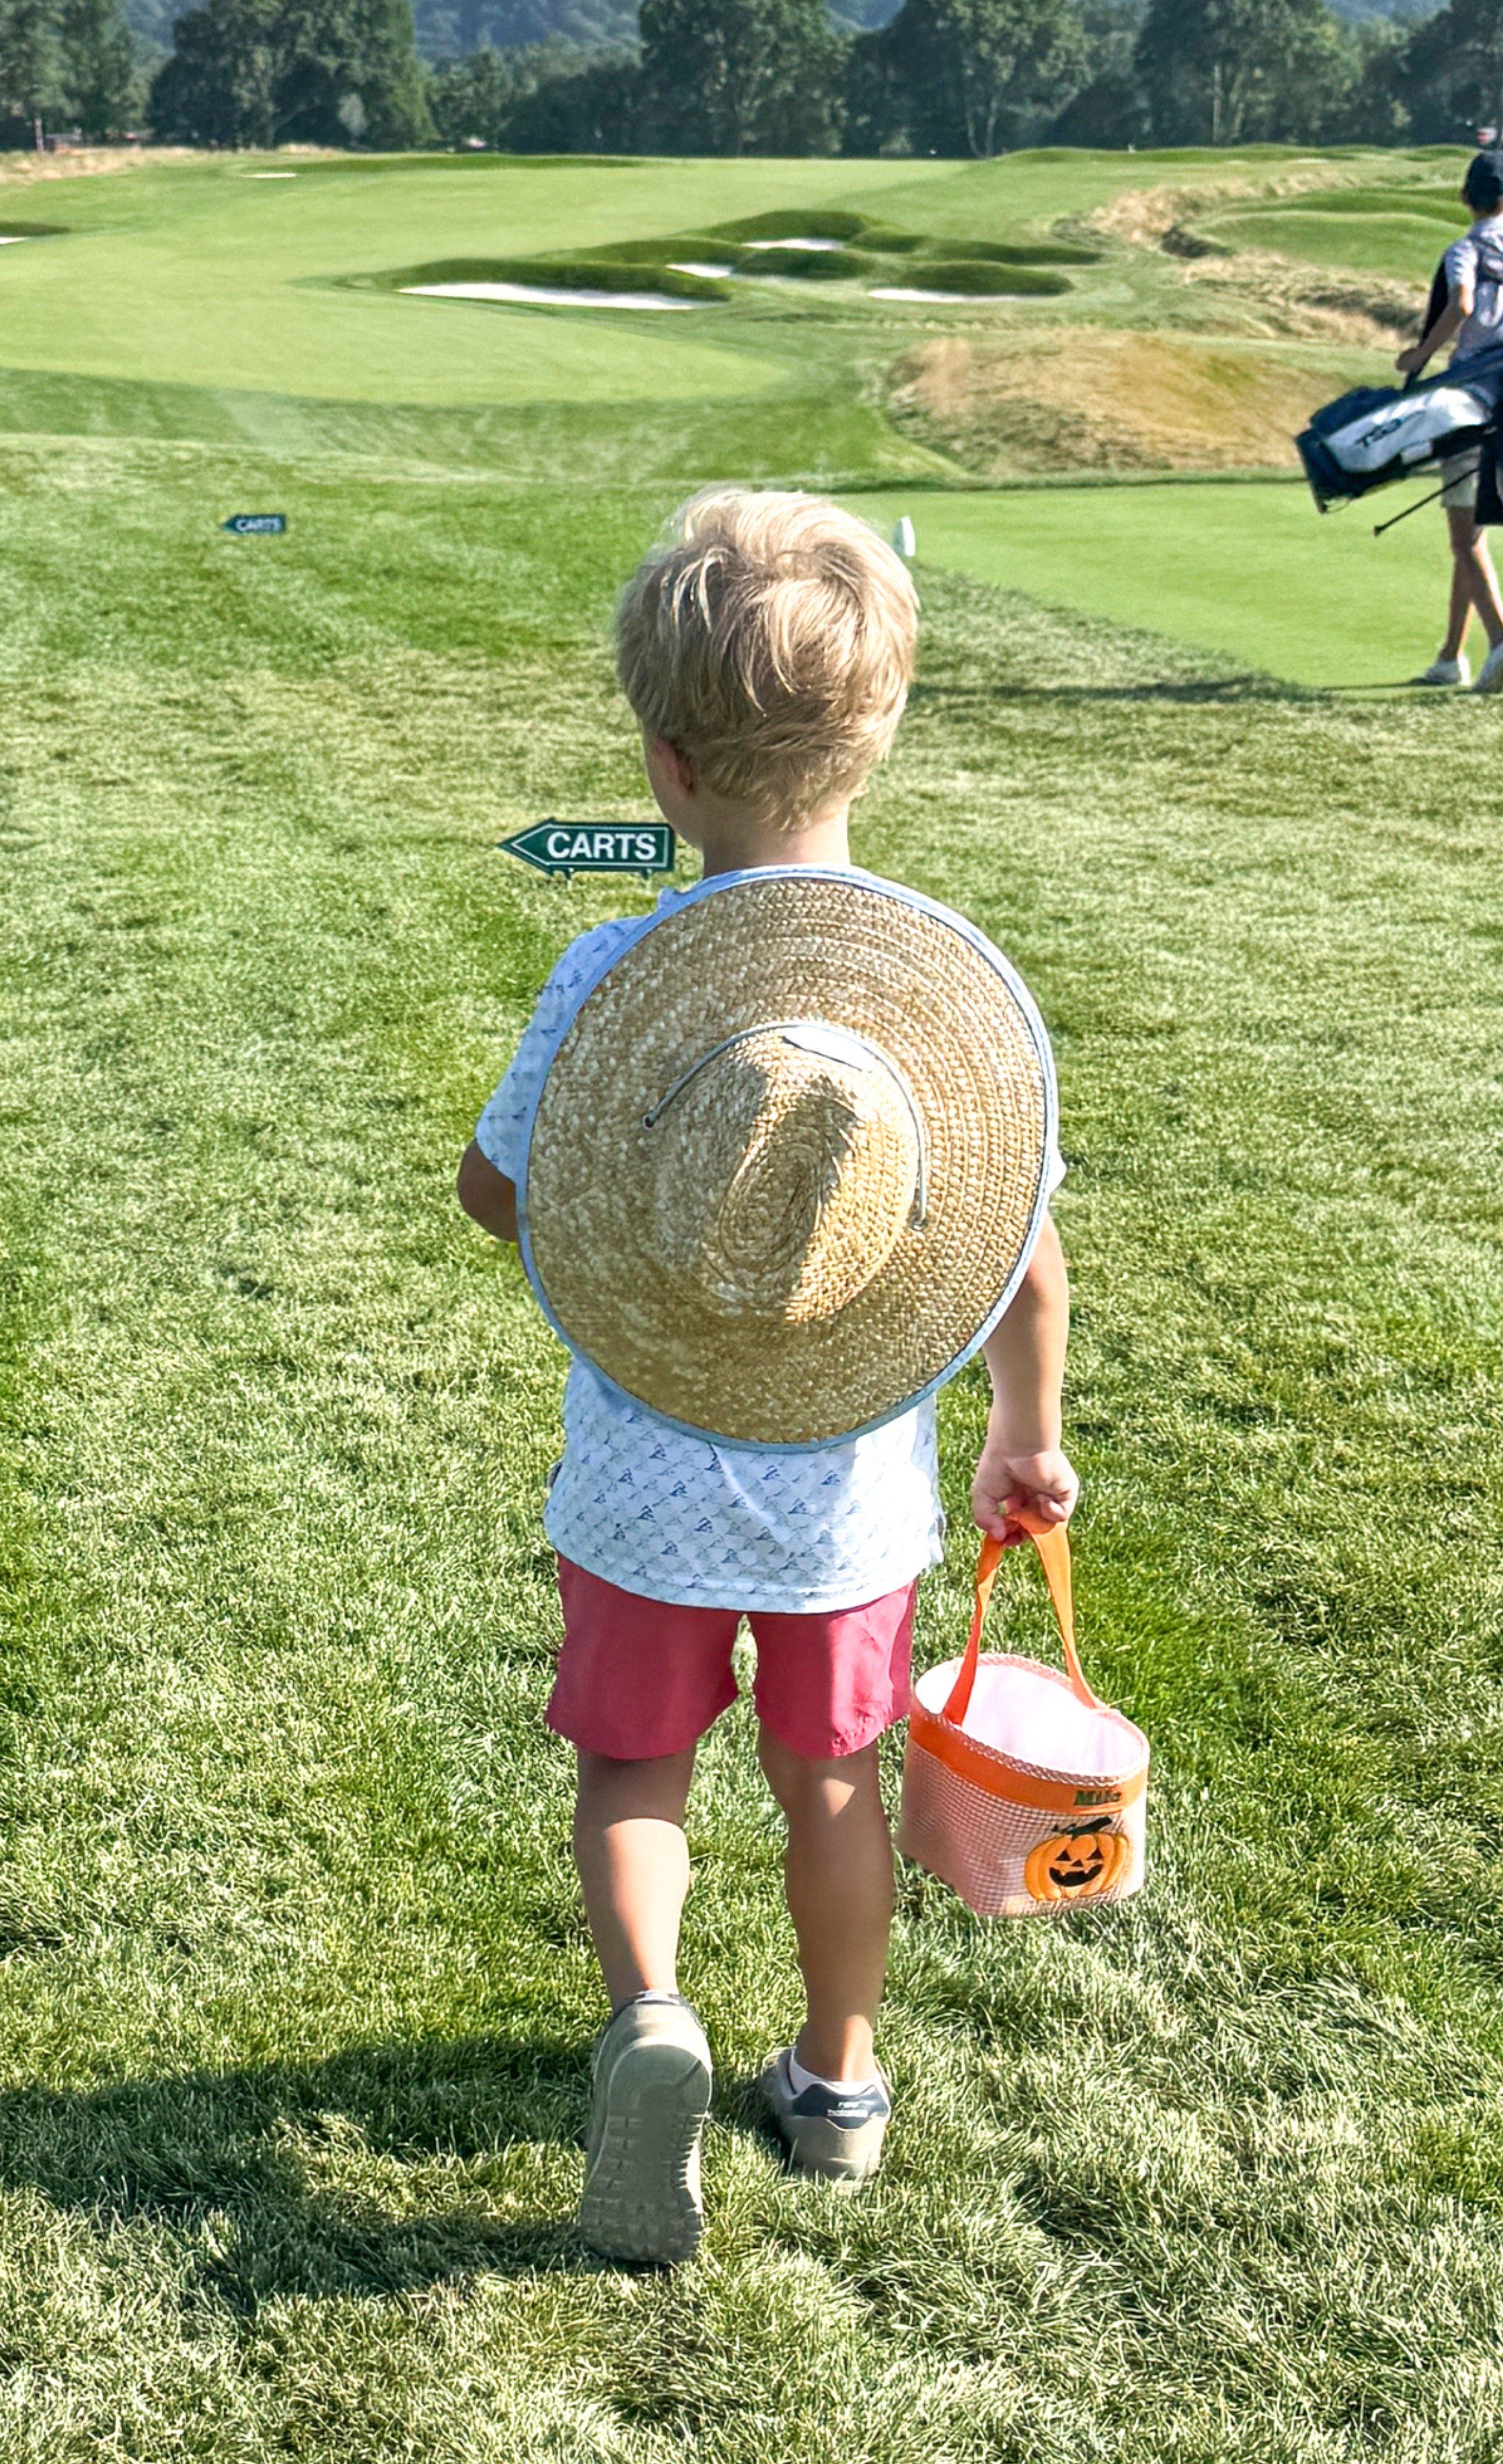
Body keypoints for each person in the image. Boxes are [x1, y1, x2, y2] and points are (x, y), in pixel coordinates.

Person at [457, 489, 1078, 2264]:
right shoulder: (935, 1012)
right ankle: (838, 2073)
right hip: (850, 1503)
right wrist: (1023, 1444)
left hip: (641, 1488)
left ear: (661, 761)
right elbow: (1021, 1262)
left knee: (632, 1770)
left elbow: (504, 1195)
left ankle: (652, 2008)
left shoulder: (608, 966)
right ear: (873, 735)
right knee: (833, 1784)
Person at [1398, 150, 1503, 693]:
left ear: (1466, 198)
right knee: (1476, 534)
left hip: (1472, 402)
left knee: (1463, 537)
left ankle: (1502, 642)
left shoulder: (1464, 249)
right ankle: (1450, 657)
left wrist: (1420, 356)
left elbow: (1460, 304)